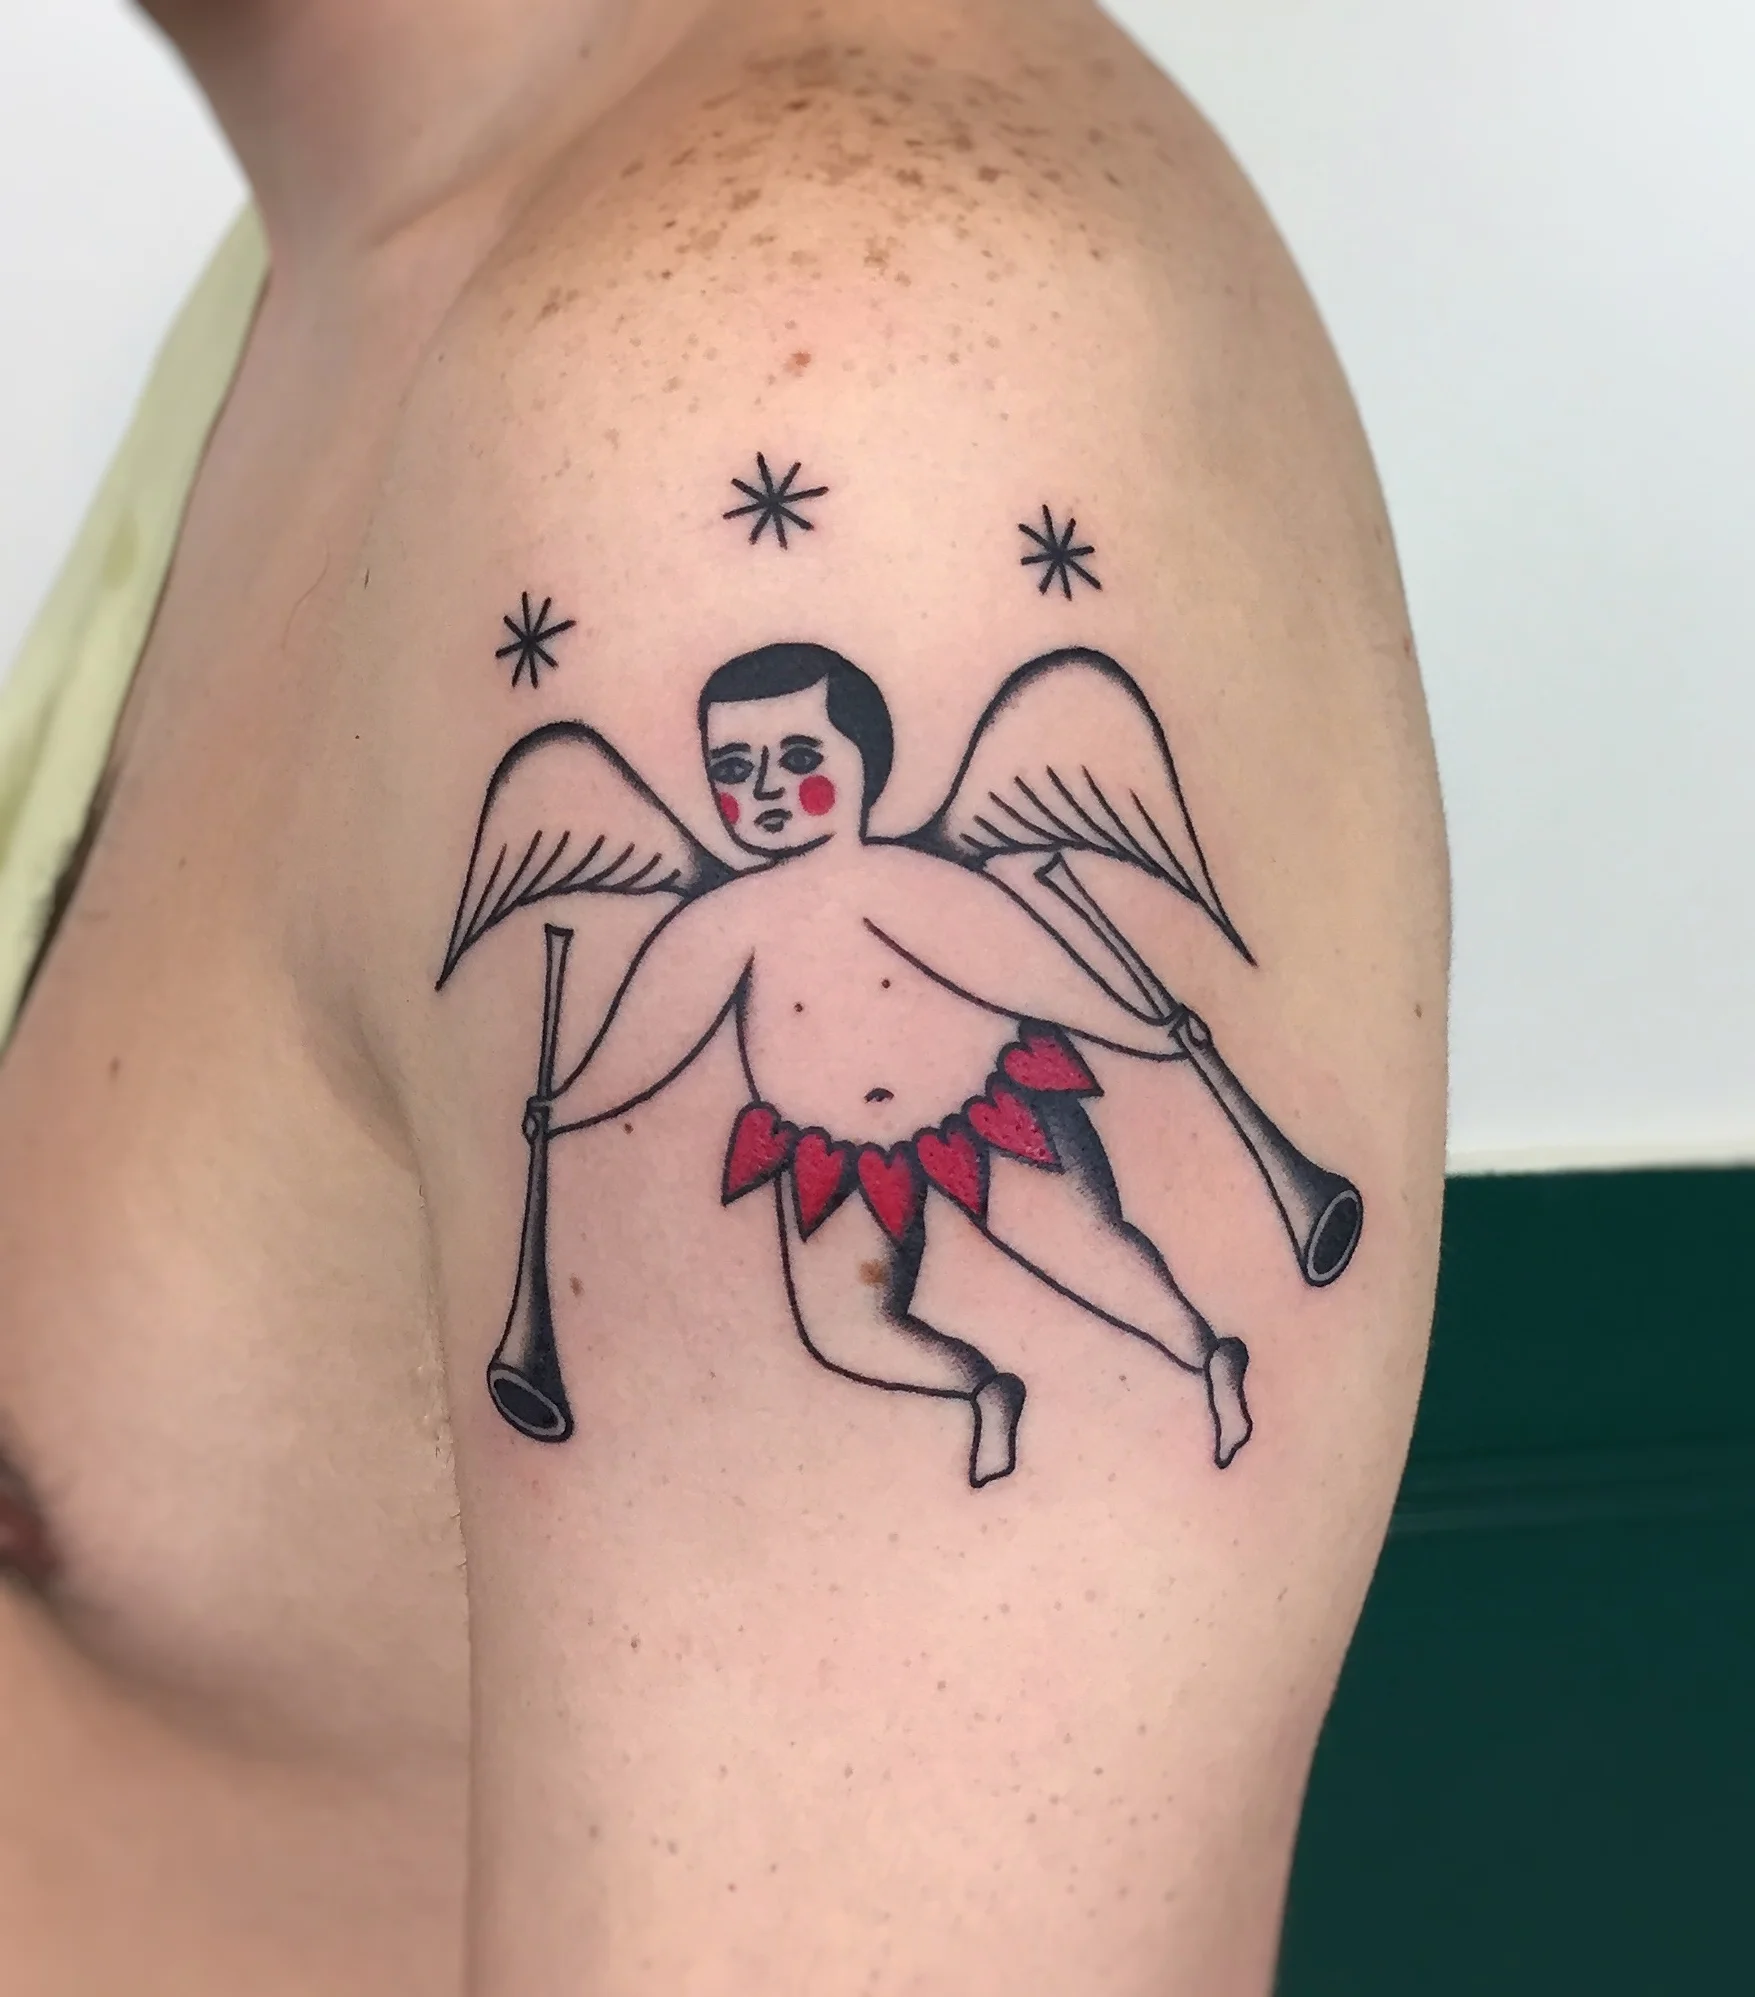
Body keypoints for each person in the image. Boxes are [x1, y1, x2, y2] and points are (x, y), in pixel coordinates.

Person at [0, 2, 1448, 1991]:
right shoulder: (324, 267)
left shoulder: (786, 355)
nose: (762, 794)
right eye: (735, 769)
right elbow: (652, 1032)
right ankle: (989, 1385)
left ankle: (1188, 1346)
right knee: (871, 1332)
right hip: (818, 1149)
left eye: (794, 761)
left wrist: (1146, 1039)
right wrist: (576, 1107)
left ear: (859, 756)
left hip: (966, 1103)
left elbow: (1017, 952)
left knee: (1094, 1252)